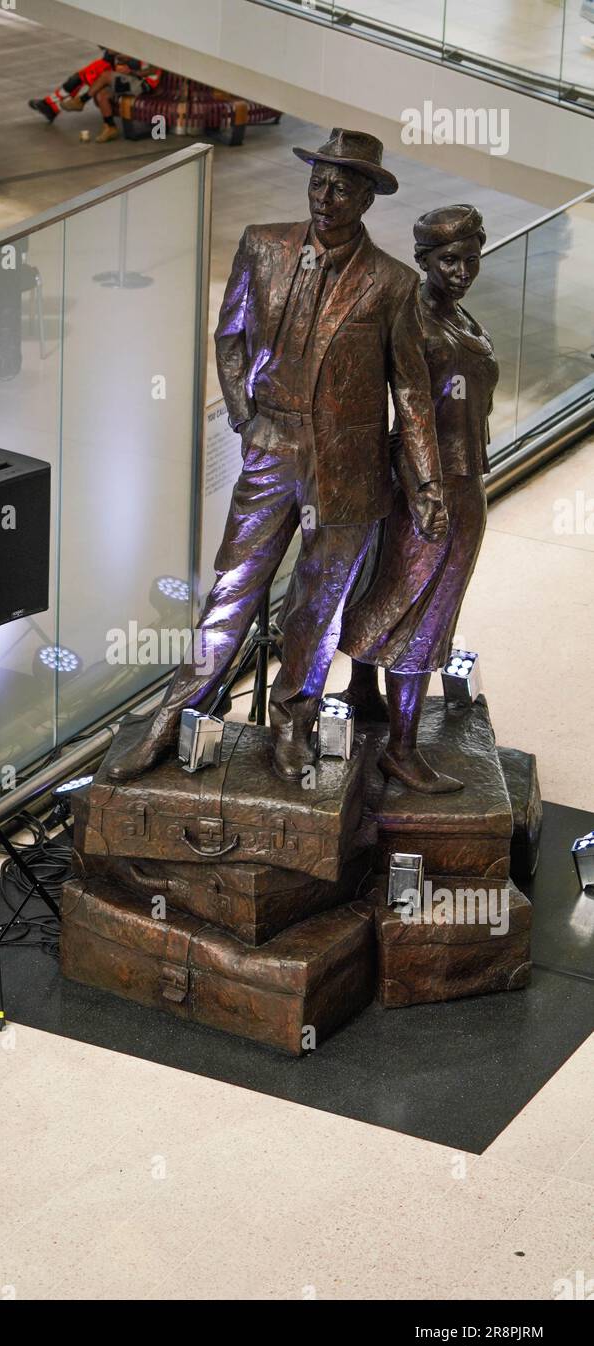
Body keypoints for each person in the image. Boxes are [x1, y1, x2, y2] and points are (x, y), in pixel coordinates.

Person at [105, 129, 446, 784]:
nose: (326, 194)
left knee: (314, 608)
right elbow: (229, 336)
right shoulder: (262, 244)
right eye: (318, 180)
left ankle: (293, 722)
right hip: (270, 449)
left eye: (342, 185)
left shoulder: (393, 284)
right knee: (232, 588)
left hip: (347, 470)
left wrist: (426, 481)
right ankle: (173, 717)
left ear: (367, 198)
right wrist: (242, 416)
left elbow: (410, 391)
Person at [338, 205, 497, 794]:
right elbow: (415, 413)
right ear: (423, 262)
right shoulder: (421, 322)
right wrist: (428, 489)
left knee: (389, 587)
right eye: (447, 261)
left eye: (470, 259)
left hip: (443, 475)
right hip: (439, 483)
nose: (461, 271)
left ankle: (362, 693)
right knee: (424, 613)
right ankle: (402, 752)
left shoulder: (454, 315)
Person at [87, 54, 162, 143]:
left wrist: (131, 72)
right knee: (101, 94)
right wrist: (123, 58)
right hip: (133, 80)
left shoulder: (154, 49)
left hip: (146, 84)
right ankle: (110, 126)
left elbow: (153, 70)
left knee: (106, 76)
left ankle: (82, 100)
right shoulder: (137, 46)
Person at [27, 49, 114, 123]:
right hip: (108, 62)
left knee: (79, 78)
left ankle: (49, 105)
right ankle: (52, 107)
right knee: (77, 78)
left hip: (114, 66)